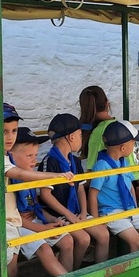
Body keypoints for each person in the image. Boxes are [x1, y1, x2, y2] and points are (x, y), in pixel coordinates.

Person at [0, 103, 74, 277]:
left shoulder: (4, 156)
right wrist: (56, 175)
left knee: (10, 274)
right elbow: (20, 174)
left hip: (10, 224)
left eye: (14, 130)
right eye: (4, 131)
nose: (10, 137)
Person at [40, 113, 110, 267]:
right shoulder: (49, 161)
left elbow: (80, 189)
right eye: (80, 134)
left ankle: (100, 272)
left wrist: (84, 212)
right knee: (83, 239)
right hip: (58, 215)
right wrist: (70, 216)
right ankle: (74, 273)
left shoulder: (75, 161)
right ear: (71, 137)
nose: (81, 138)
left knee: (103, 234)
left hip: (77, 212)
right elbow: (45, 195)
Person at [9, 127, 76, 272]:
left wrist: (52, 220)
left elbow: (35, 208)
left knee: (68, 241)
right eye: (29, 156)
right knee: (45, 250)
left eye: (36, 155)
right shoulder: (9, 182)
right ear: (11, 156)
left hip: (34, 221)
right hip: (18, 226)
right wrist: (42, 229)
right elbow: (14, 219)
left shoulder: (30, 176)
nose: (34, 160)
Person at [88, 121, 139, 253]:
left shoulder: (124, 162)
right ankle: (134, 271)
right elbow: (93, 194)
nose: (135, 145)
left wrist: (135, 207)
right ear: (123, 147)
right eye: (133, 142)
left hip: (129, 207)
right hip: (111, 212)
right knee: (137, 242)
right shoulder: (101, 166)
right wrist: (96, 222)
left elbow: (130, 187)